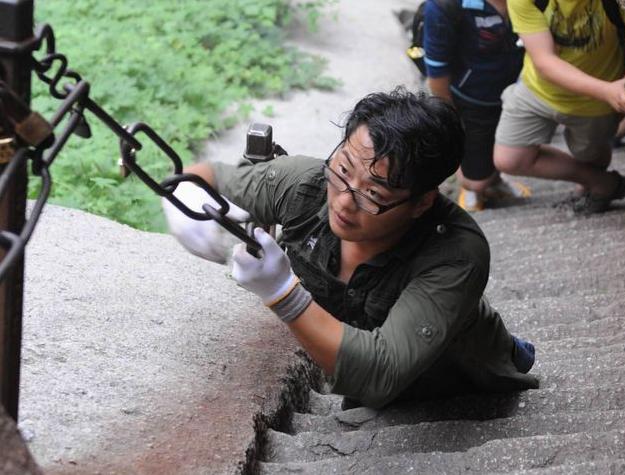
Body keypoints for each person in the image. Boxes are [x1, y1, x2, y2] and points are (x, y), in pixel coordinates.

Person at [161, 88, 539, 409]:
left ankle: (511, 349)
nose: (343, 201)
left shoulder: (456, 253)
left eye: (373, 193)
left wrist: (282, 292)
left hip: (453, 379)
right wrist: (187, 196)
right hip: (362, 351)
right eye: (342, 171)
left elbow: (381, 372)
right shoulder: (305, 186)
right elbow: (214, 176)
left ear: (422, 203)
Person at [493, 0, 625, 213]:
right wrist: (609, 91)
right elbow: (545, 61)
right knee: (509, 158)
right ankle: (603, 183)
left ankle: (592, 186)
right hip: (538, 89)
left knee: (590, 155)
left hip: (597, 100)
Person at [423, 0, 530, 212]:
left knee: (502, 146)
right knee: (476, 179)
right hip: (472, 99)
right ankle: (471, 187)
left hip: (517, 93)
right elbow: (436, 72)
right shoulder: (444, 5)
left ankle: (495, 181)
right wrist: (451, 120)